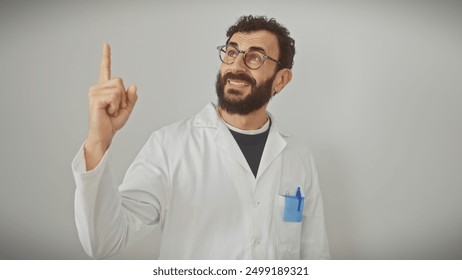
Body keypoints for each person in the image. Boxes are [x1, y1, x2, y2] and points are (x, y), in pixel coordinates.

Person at [72, 15, 330, 259]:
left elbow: (315, 254)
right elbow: (103, 241)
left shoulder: (298, 155)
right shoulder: (169, 146)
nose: (236, 66)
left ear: (281, 80)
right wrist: (97, 141)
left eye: (255, 57)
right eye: (231, 52)